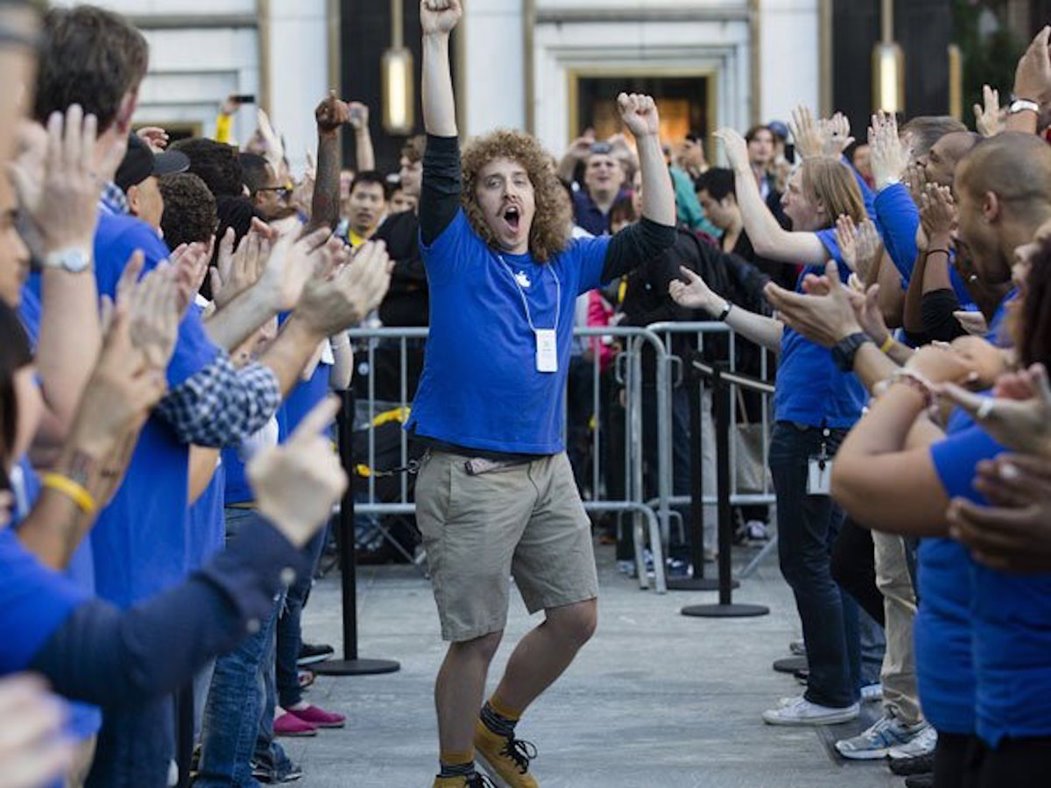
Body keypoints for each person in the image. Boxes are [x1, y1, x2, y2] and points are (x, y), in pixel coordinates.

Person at [411, 2, 675, 786]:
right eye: (490, 183)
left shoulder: (565, 262)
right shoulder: (453, 250)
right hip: (469, 472)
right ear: (473, 202)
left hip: (546, 467)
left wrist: (650, 143)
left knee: (575, 616)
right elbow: (440, 147)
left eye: (518, 179)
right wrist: (435, 43)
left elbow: (655, 239)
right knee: (477, 638)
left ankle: (496, 730)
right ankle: (454, 772)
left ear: (540, 193)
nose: (505, 191)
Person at [671, 119, 869, 727]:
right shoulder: (824, 267)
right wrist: (717, 305)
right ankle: (845, 680)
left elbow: (763, 236)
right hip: (814, 427)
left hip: (820, 430)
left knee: (808, 560)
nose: (783, 196)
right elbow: (788, 340)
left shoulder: (840, 245)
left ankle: (834, 692)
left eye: (793, 188)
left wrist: (738, 160)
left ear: (824, 203)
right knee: (825, 558)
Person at [341, 170, 388, 247]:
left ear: (385, 206)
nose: (366, 206)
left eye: (374, 199)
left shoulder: (392, 245)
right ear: (348, 201)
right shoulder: (331, 240)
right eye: (360, 197)